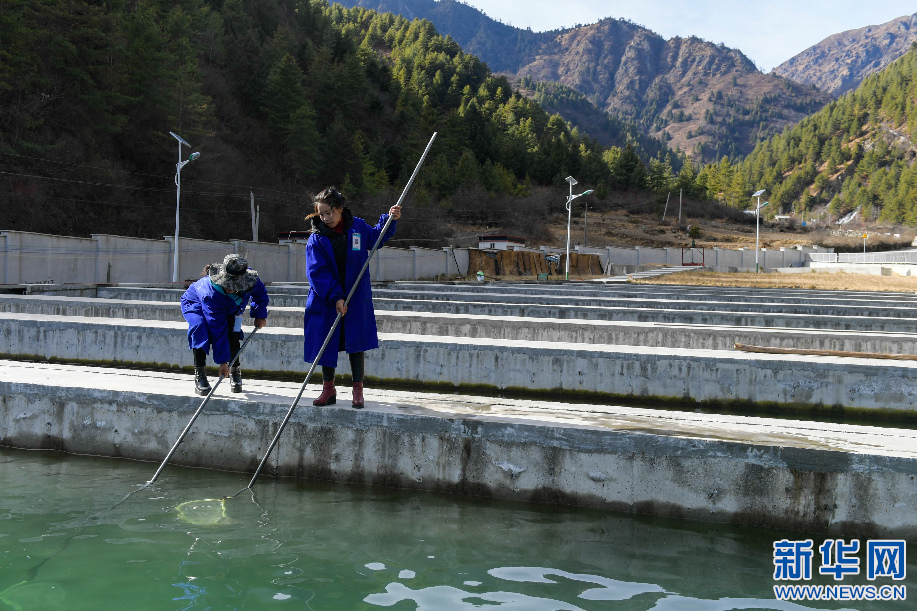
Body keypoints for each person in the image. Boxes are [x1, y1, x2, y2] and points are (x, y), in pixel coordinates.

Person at [304, 186, 400, 408]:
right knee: (327, 343)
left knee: (355, 341)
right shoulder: (316, 239)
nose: (326, 218)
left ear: (340, 209)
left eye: (330, 213)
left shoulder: (357, 227)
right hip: (326, 299)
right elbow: (317, 272)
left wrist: (390, 219)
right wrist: (335, 296)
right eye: (322, 214)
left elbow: (376, 238)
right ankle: (328, 389)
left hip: (355, 297)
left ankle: (358, 390)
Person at [181, 254, 268, 395]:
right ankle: (200, 375)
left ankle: (235, 372)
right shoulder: (211, 293)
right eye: (228, 284)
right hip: (195, 302)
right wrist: (222, 362)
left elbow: (261, 294)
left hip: (230, 305)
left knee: (233, 332)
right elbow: (218, 328)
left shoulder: (250, 280)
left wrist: (260, 314)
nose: (230, 288)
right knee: (200, 328)